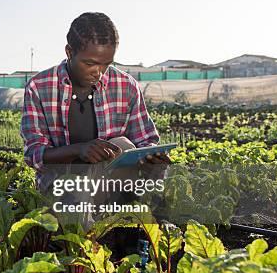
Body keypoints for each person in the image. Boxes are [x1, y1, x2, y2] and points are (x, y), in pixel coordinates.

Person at [20, 12, 170, 192]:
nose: (98, 73)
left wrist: (153, 160)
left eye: (106, 64)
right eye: (89, 63)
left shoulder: (126, 86)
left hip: (113, 187)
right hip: (62, 189)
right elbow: (34, 154)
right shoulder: (39, 87)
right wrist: (79, 150)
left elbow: (146, 141)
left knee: (122, 144)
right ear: (69, 52)